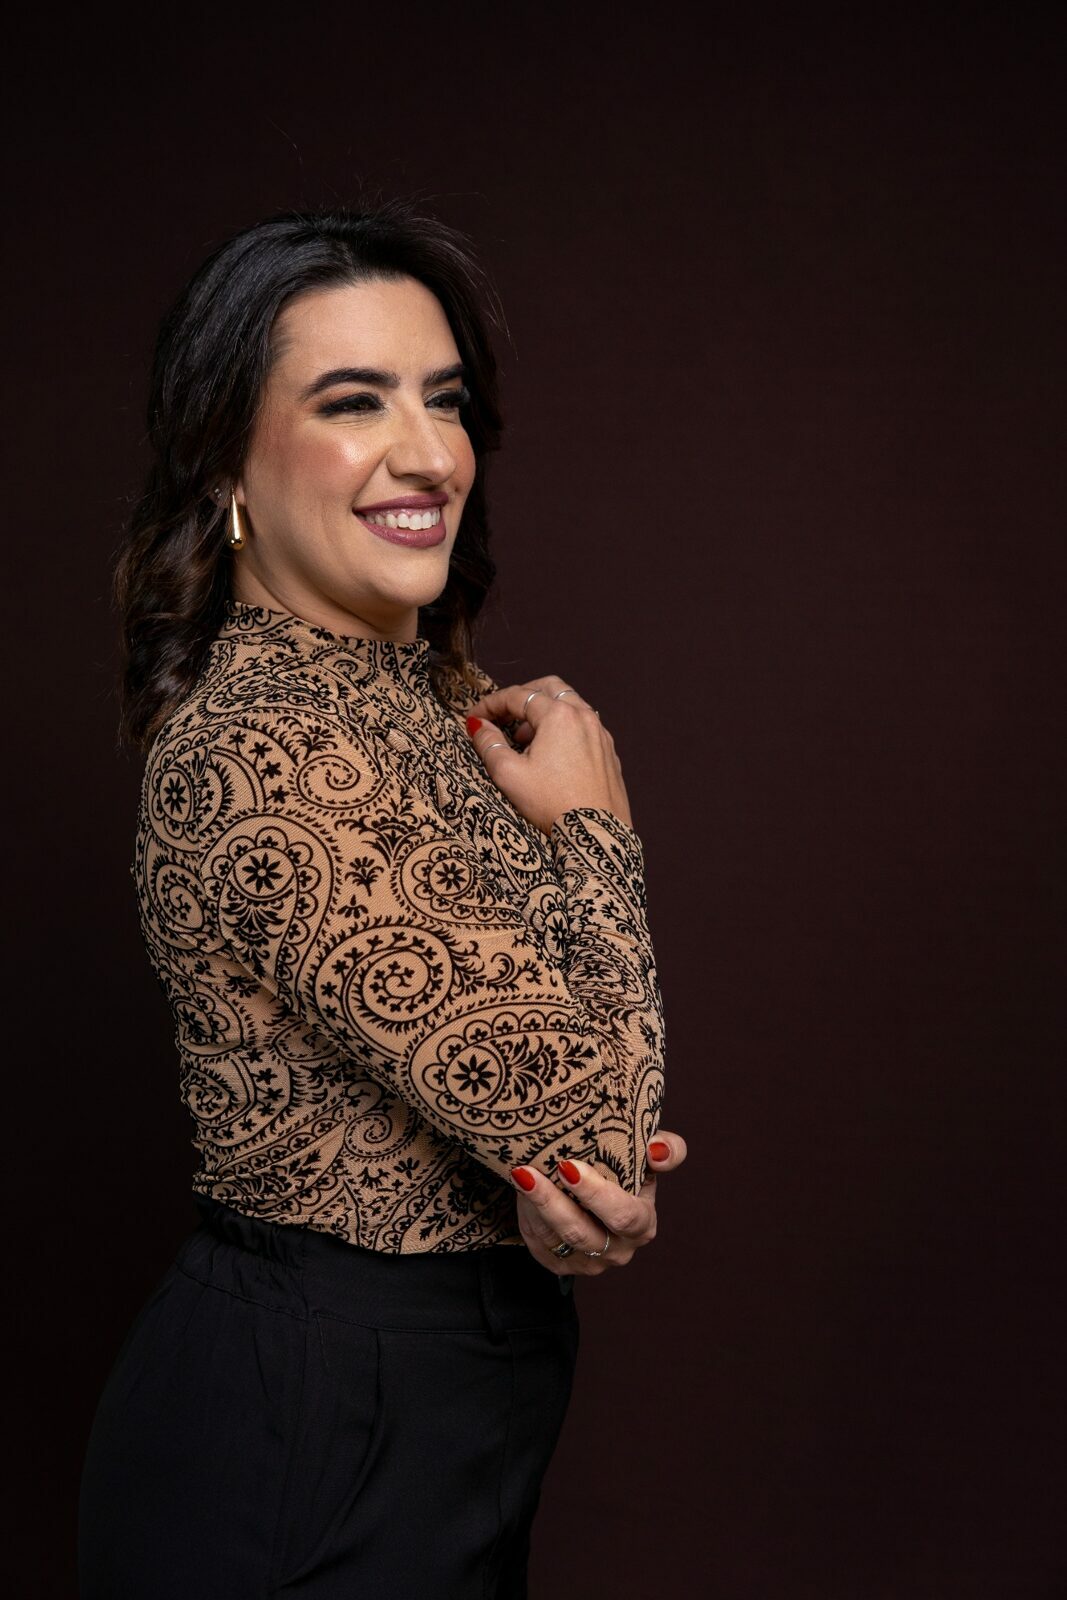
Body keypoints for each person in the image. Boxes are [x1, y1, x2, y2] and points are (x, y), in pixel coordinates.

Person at [77, 200, 685, 1598]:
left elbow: (561, 1143)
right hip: (308, 1436)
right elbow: (598, 1123)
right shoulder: (264, 748)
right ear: (224, 458)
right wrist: (597, 830)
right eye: (354, 403)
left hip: (430, 1420)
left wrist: (539, 1199)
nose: (429, 454)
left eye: (444, 399)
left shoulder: (424, 701)